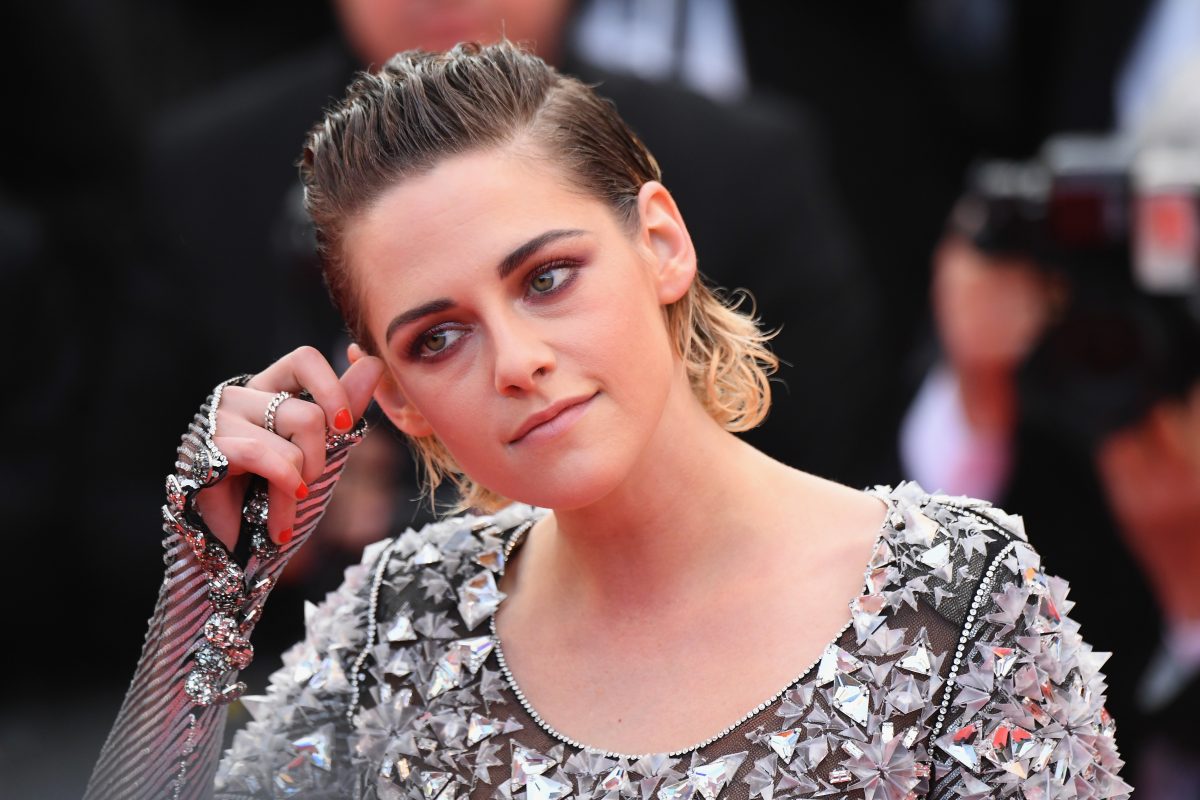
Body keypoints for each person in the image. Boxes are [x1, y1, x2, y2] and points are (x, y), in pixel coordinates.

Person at [86, 42, 1129, 800]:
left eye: (546, 277)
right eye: (439, 337)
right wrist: (205, 596)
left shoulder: (952, 598)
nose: (520, 360)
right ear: (397, 397)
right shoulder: (395, 623)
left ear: (662, 243)